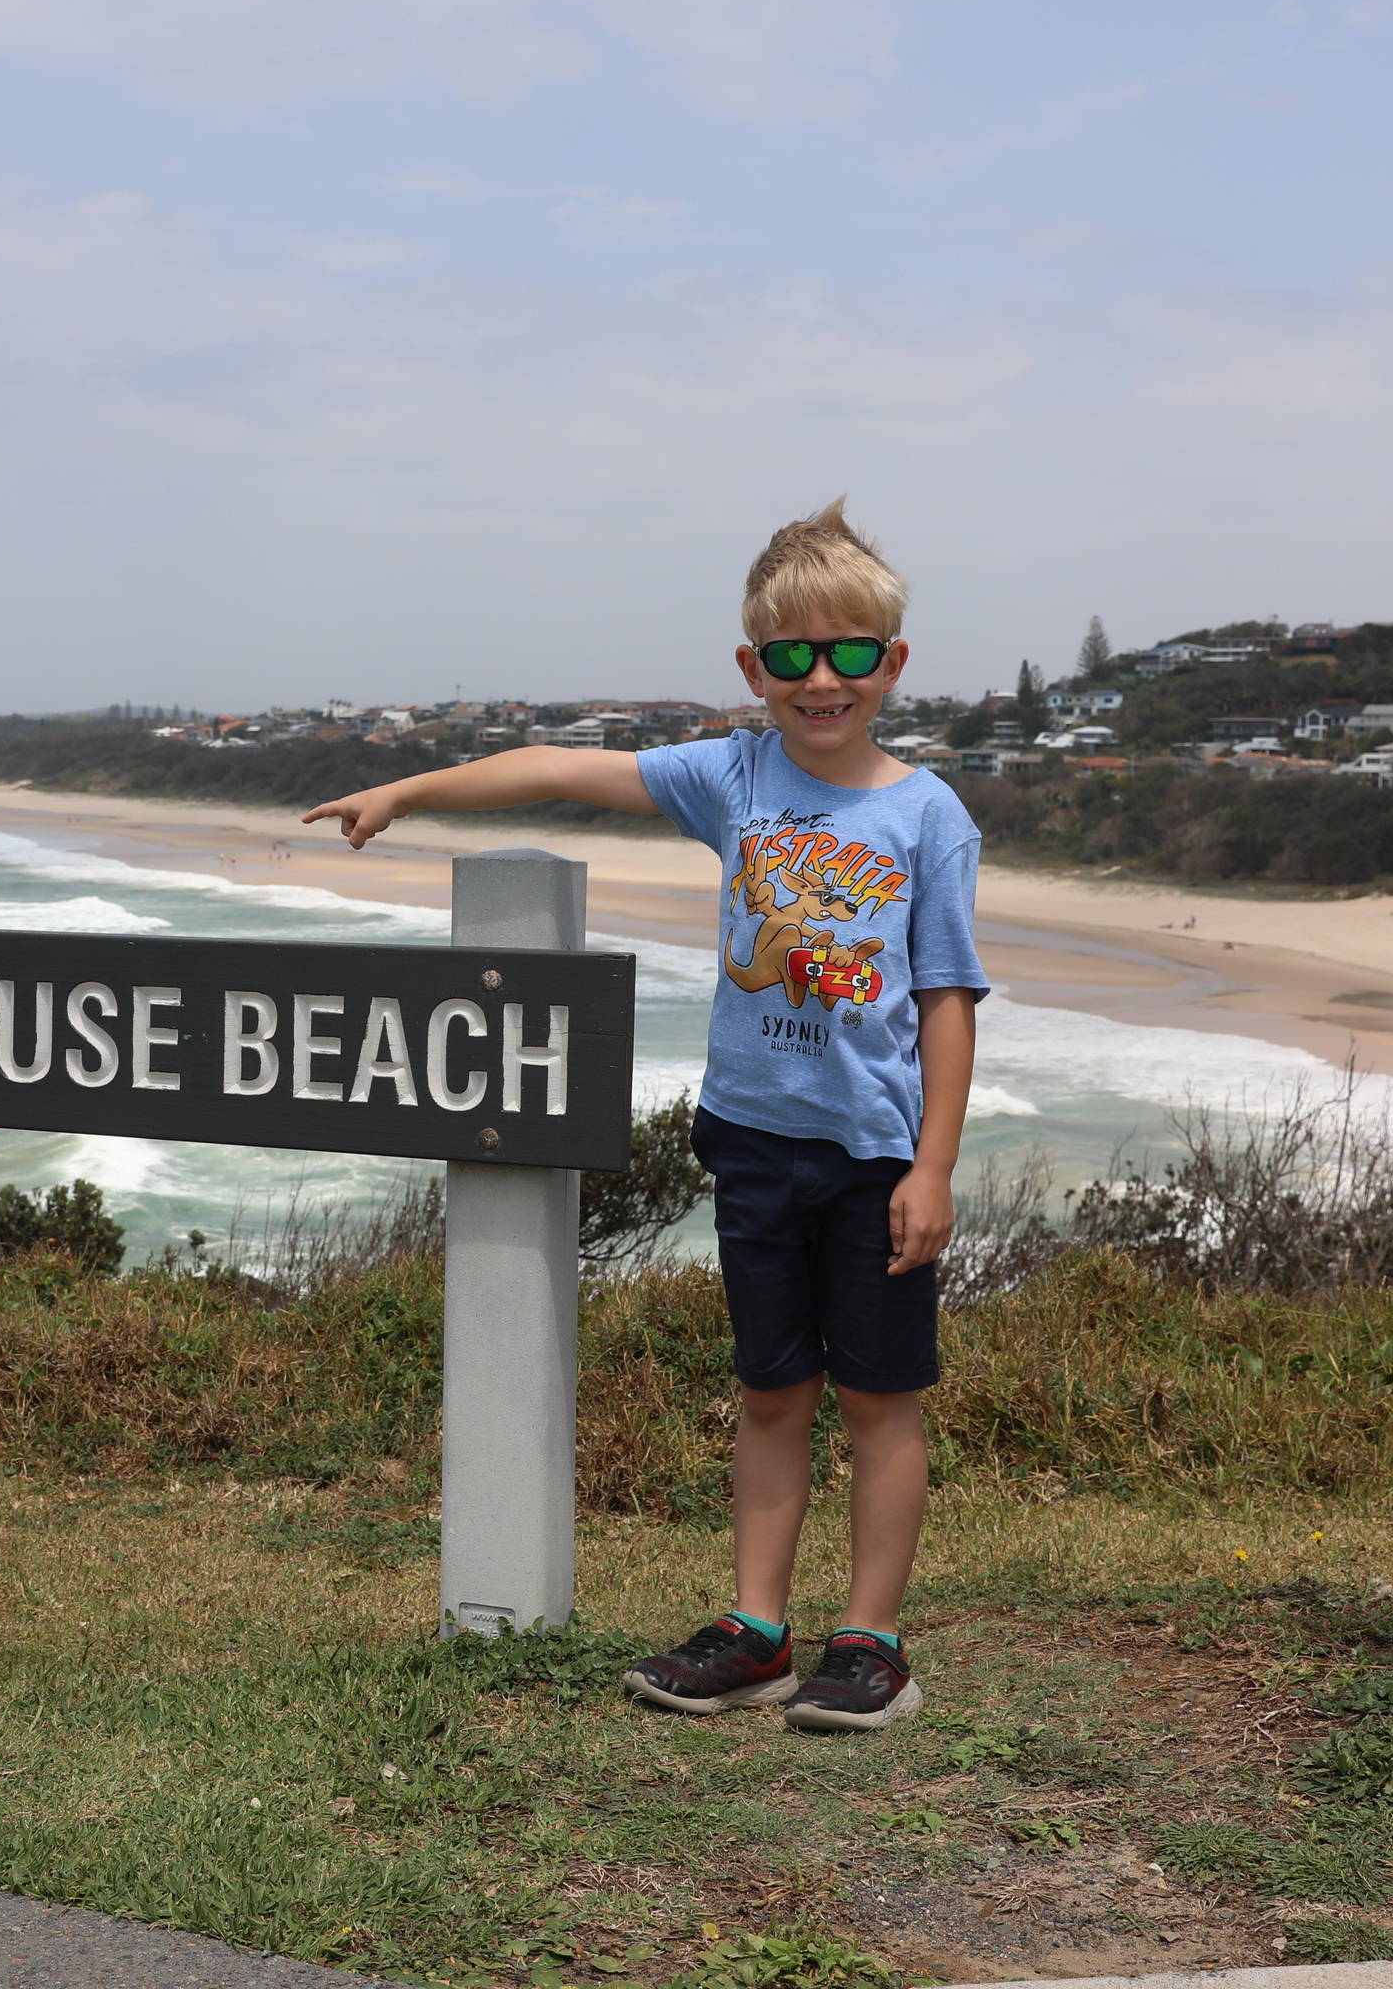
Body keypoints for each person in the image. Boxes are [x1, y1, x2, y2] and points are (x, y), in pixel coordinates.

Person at [304, 499, 983, 1734]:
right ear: (752, 668)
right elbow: (559, 769)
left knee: (880, 1399)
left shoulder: (928, 813)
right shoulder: (734, 775)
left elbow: (945, 997)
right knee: (772, 1389)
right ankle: (758, 1628)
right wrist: (409, 788)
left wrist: (932, 1165)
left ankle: (871, 1640)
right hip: (752, 1138)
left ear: (891, 663)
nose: (820, 679)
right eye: (790, 654)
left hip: (876, 1153)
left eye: (847, 652)